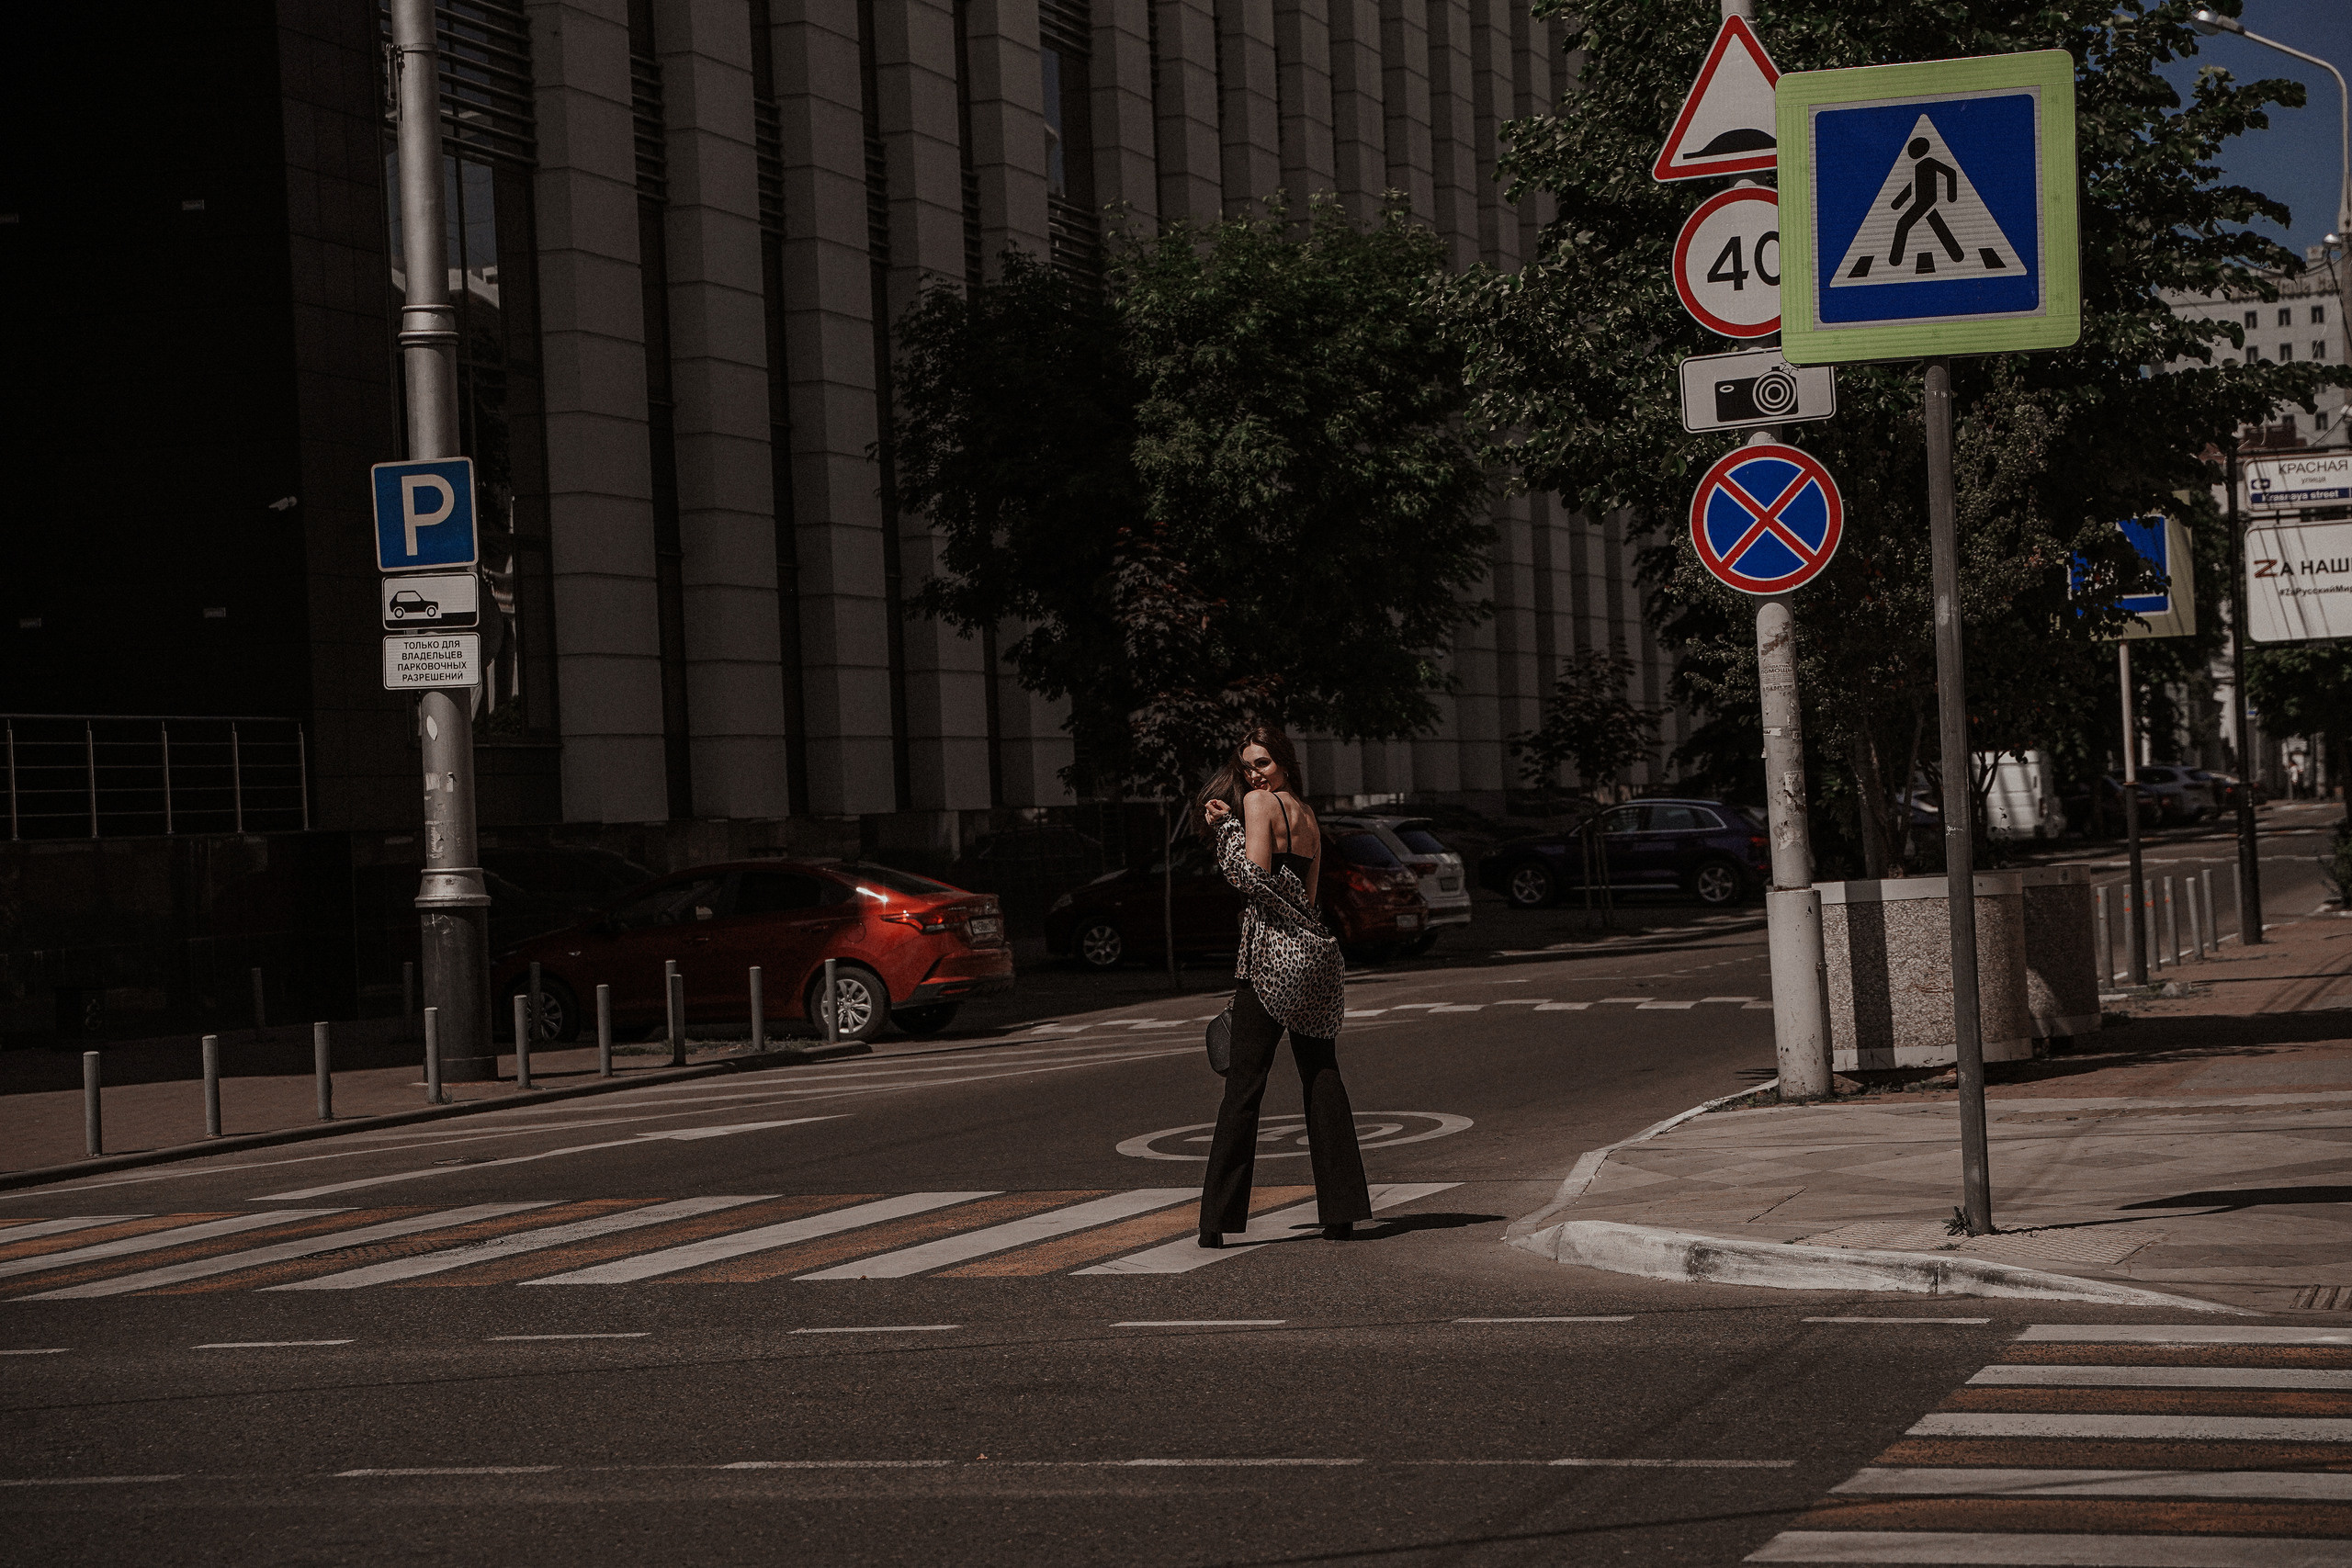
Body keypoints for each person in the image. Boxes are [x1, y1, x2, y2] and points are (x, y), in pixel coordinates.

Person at [1193, 727, 1371, 1247]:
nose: (1254, 775)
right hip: (1318, 958)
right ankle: (1342, 1213)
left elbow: (1251, 878)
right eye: (1248, 766)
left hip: (1274, 959)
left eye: (1263, 763)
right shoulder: (1309, 816)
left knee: (1244, 1086)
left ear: (1285, 762)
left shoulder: (1257, 804)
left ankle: (1215, 1220)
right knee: (1321, 1074)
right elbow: (1309, 900)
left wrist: (1225, 831)